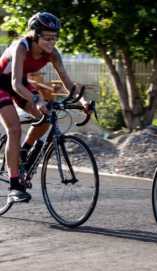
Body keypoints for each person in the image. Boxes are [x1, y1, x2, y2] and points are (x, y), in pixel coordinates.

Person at [0, 12, 90, 203]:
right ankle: (14, 185)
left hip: (22, 84)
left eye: (55, 38)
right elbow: (15, 83)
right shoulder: (21, 47)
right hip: (4, 84)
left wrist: (83, 102)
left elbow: (67, 83)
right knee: (14, 129)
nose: (52, 42)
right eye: (47, 38)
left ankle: (23, 151)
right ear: (35, 34)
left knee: (47, 118)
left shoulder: (53, 54)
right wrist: (37, 100)